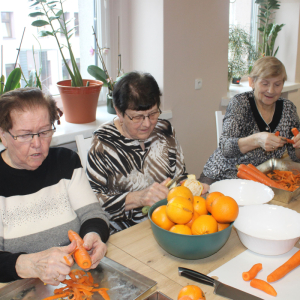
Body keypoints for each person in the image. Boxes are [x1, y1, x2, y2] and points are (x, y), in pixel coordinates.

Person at [0, 88, 110, 284]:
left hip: (75, 277)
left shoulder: (66, 162)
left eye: (44, 132)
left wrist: (93, 235)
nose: (37, 143)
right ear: (3, 135)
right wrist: (31, 264)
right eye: (25, 135)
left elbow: (93, 215)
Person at [87, 71, 209, 234]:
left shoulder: (164, 130)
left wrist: (193, 188)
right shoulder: (103, 144)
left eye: (152, 114)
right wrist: (138, 198)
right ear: (119, 112)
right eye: (137, 117)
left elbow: (179, 177)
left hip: (170, 225)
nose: (147, 124)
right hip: (125, 235)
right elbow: (92, 205)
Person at [200, 56, 300, 184]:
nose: (271, 90)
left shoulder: (288, 108)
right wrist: (257, 139)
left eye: (277, 84)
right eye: (265, 83)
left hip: (261, 179)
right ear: (252, 82)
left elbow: (294, 155)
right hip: (223, 175)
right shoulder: (240, 103)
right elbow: (226, 147)